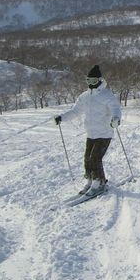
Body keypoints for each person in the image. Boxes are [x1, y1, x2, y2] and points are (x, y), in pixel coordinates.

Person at [55, 65, 122, 196]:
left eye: (93, 81)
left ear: (99, 80)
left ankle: (98, 184)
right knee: (87, 159)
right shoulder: (84, 96)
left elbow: (116, 109)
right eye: (88, 81)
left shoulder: (106, 95)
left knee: (95, 158)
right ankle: (92, 181)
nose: (91, 83)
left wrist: (116, 119)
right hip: (91, 133)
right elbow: (75, 111)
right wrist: (61, 118)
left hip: (104, 133)